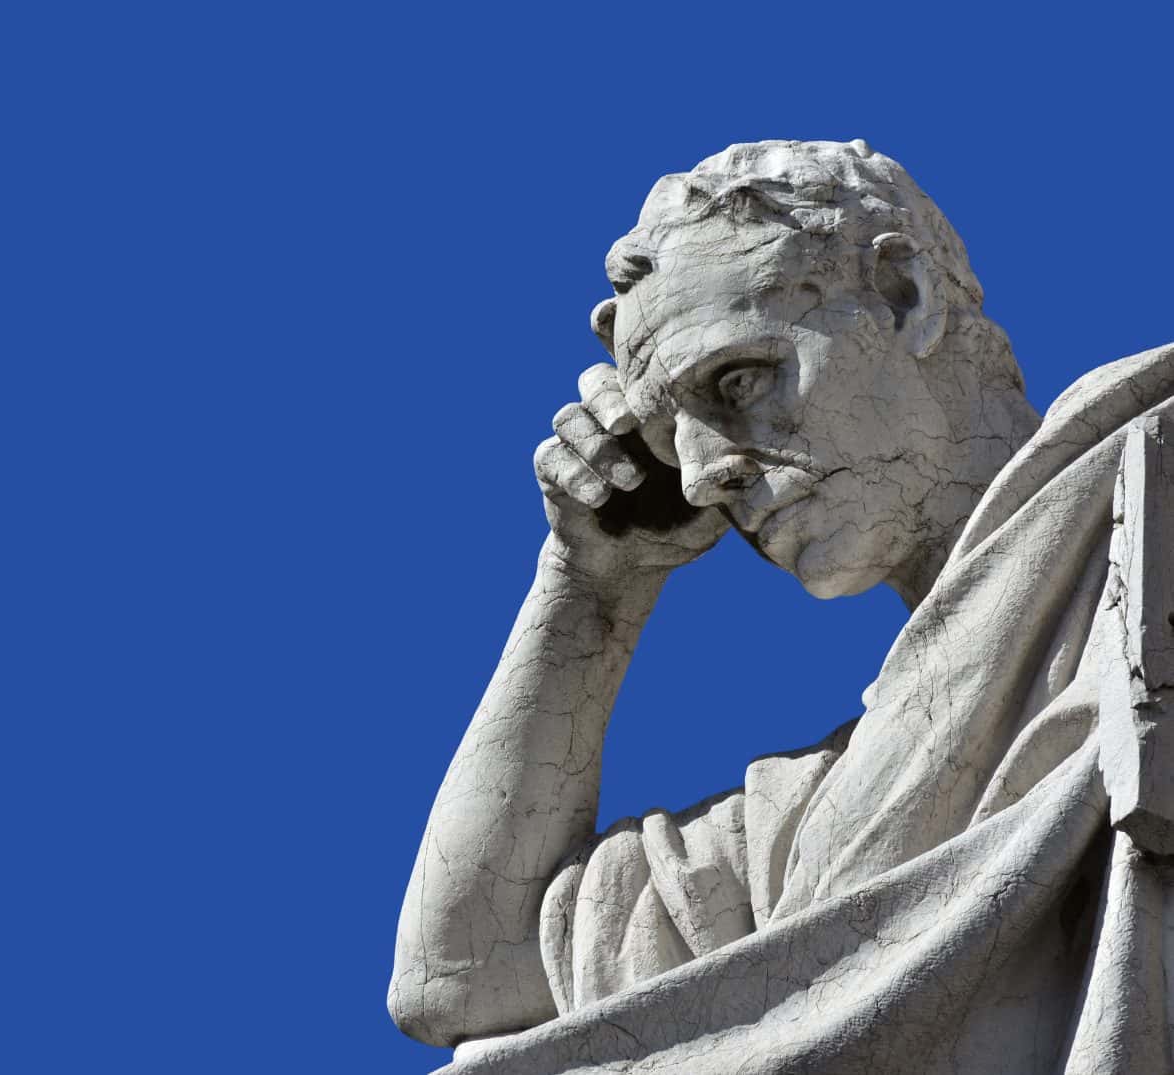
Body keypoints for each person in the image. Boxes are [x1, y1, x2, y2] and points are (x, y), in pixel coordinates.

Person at [388, 140, 1174, 1074]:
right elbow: (458, 973)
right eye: (668, 436)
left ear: (902, 294)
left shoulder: (1149, 488)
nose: (705, 469)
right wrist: (590, 584)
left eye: (740, 381)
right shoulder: (805, 822)